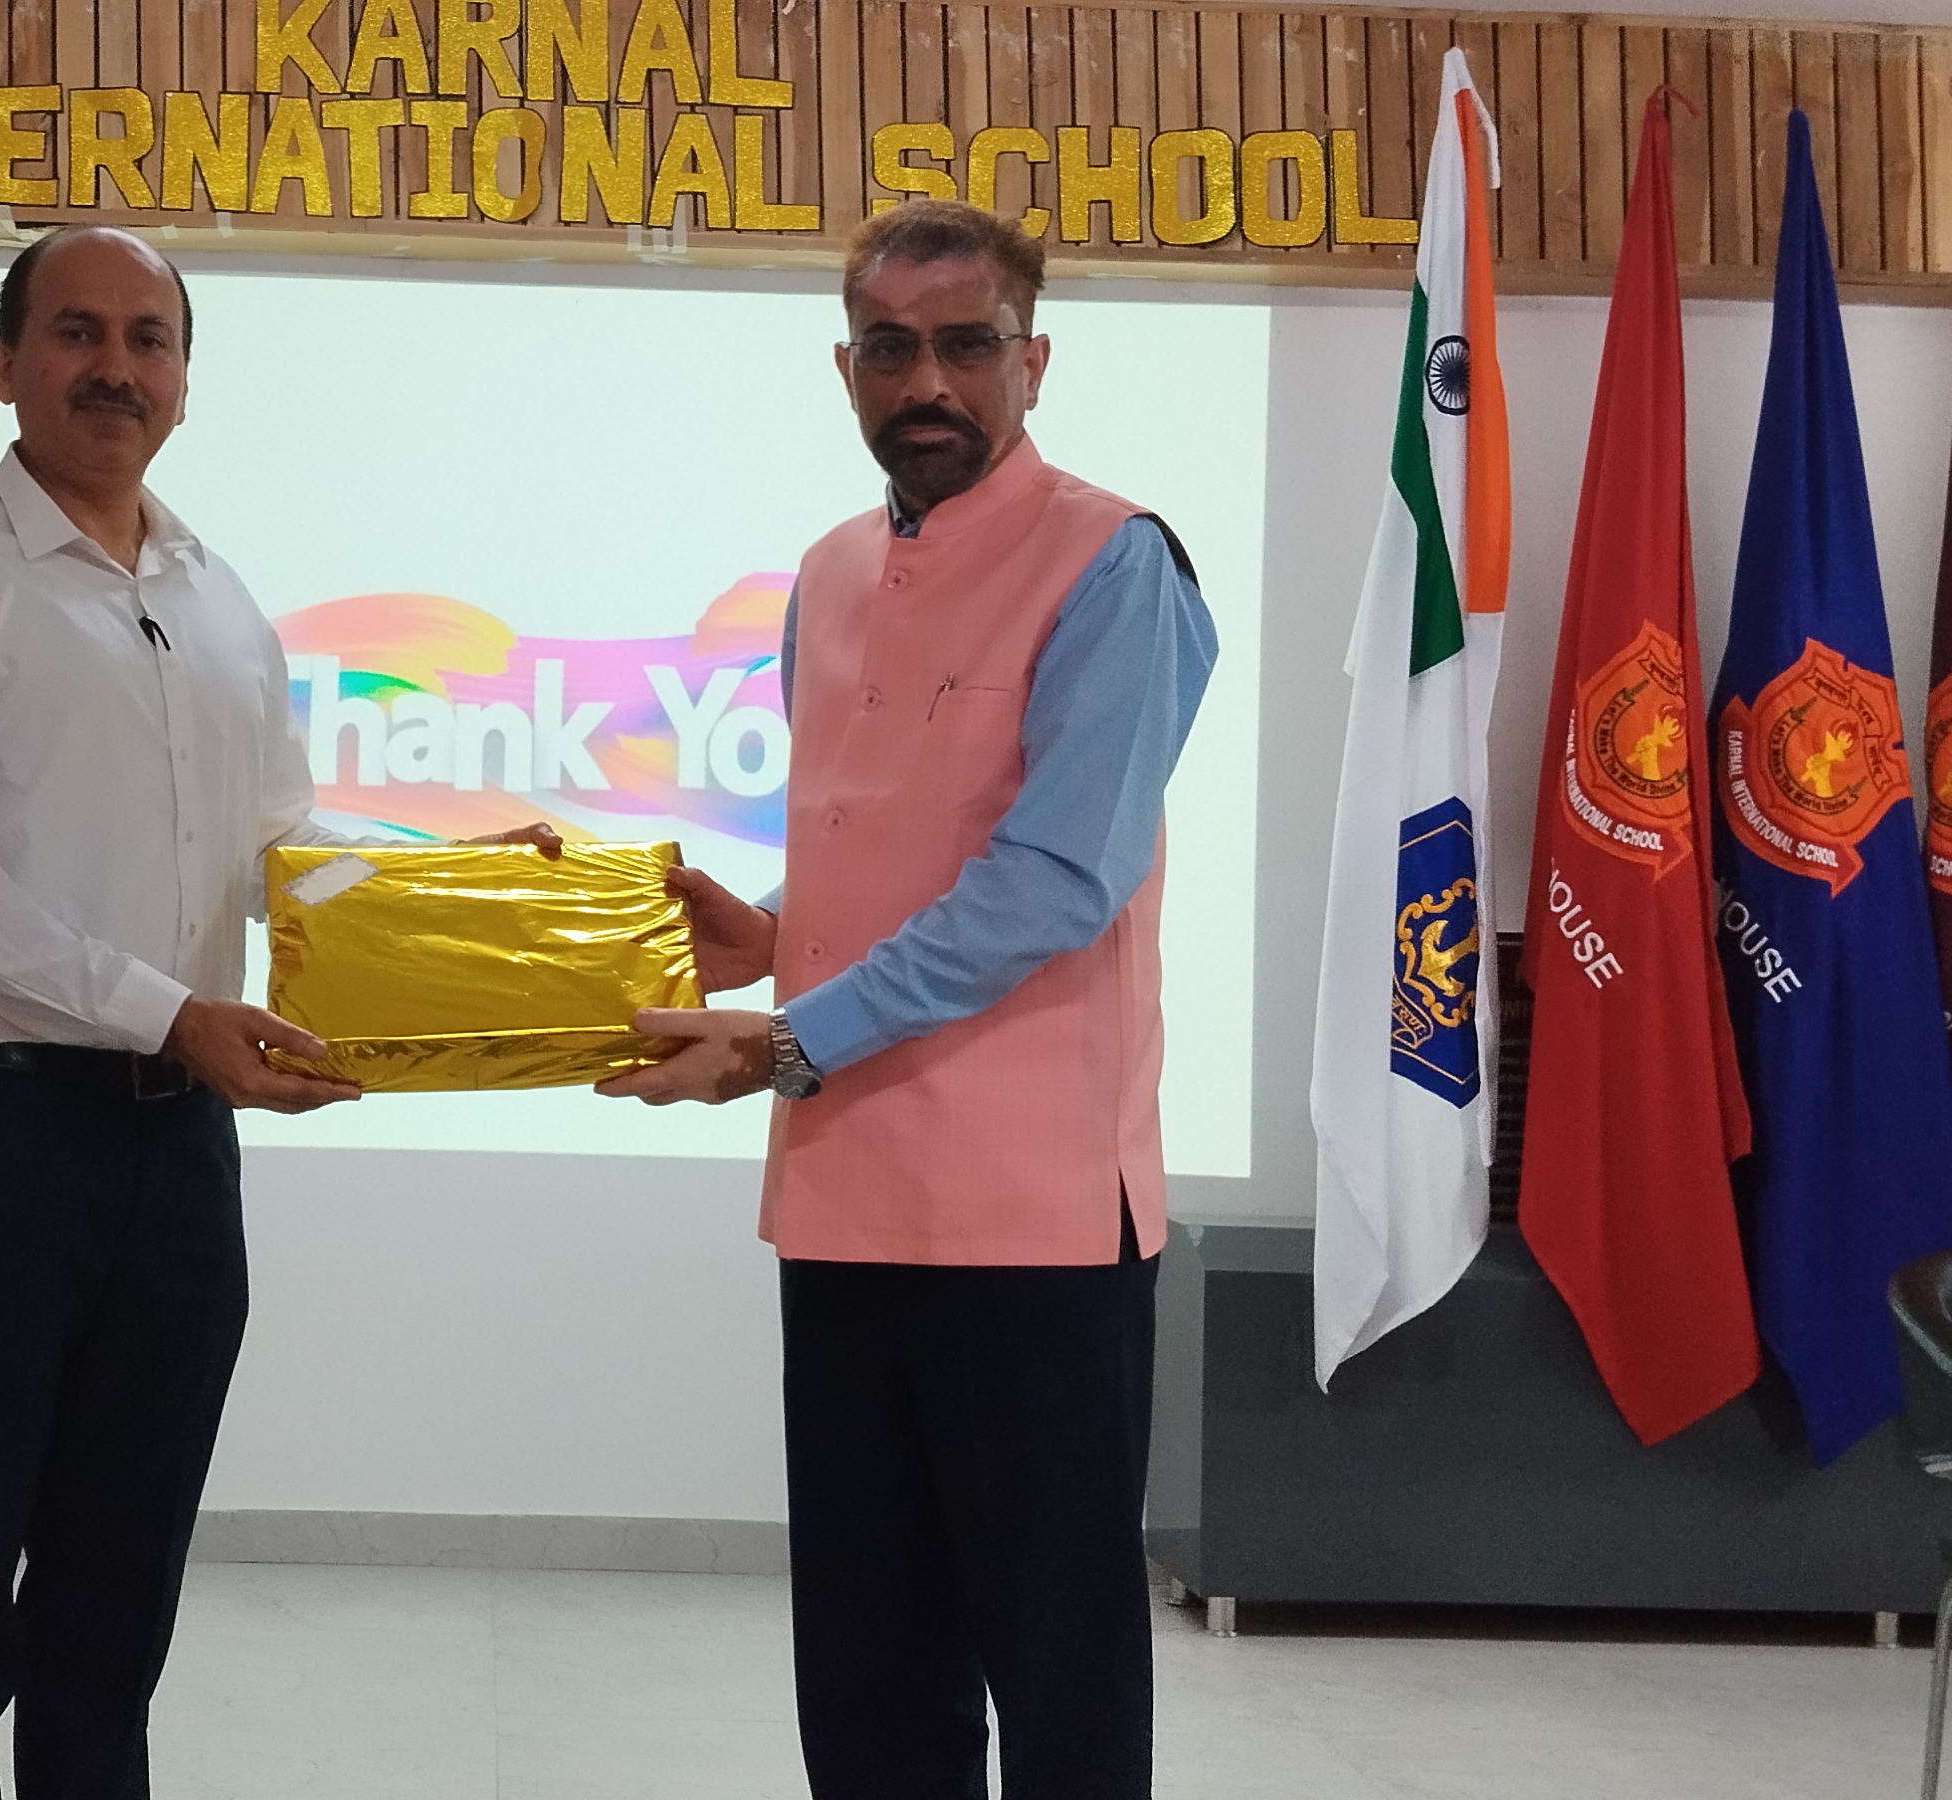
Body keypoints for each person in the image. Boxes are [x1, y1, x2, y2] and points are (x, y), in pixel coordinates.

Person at [0, 225, 542, 1799]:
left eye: (150, 339)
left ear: (187, 383)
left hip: (174, 1165)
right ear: (5, 365)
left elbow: (278, 848)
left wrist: (468, 885)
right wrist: (168, 1013)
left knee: (118, 1599)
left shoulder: (216, 599)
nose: (115, 368)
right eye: (77, 332)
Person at [598, 197, 1217, 1799]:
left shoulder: (1117, 562)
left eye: (964, 345)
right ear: (845, 368)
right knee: (871, 1681)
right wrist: (771, 936)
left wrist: (791, 1035)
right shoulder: (827, 570)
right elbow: (905, 845)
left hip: (1033, 1230)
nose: (925, 381)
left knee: (1059, 1680)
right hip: (843, 1199)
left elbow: (1056, 881)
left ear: (1035, 360)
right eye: (889, 348)